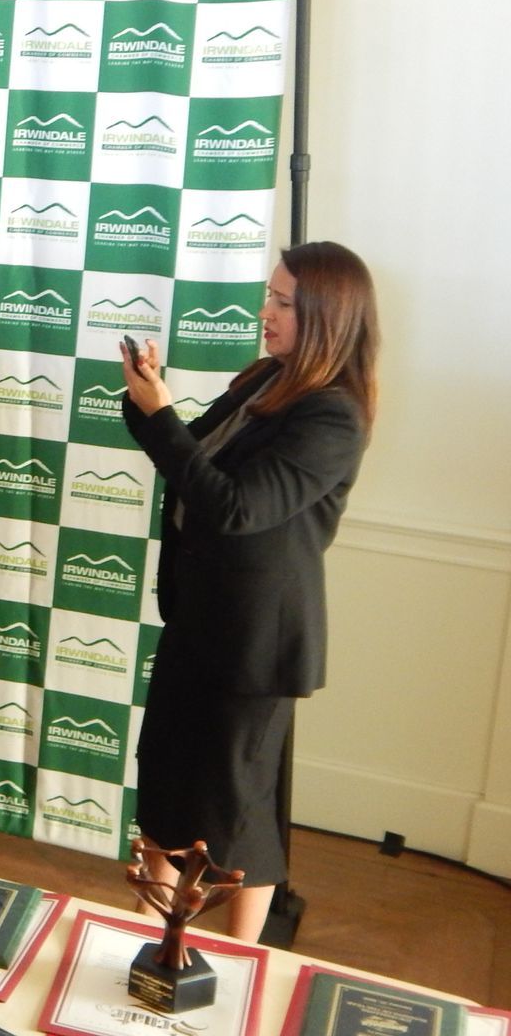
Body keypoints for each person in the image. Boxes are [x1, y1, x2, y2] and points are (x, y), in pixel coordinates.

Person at [121, 240, 379, 941]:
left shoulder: (333, 416)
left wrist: (165, 417)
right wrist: (149, 400)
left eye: (284, 302)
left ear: (326, 315)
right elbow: (187, 457)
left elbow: (235, 508)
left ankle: (240, 963)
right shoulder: (267, 379)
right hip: (200, 622)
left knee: (234, 816)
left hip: (256, 641)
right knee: (166, 790)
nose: (265, 312)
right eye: (270, 296)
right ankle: (154, 945)